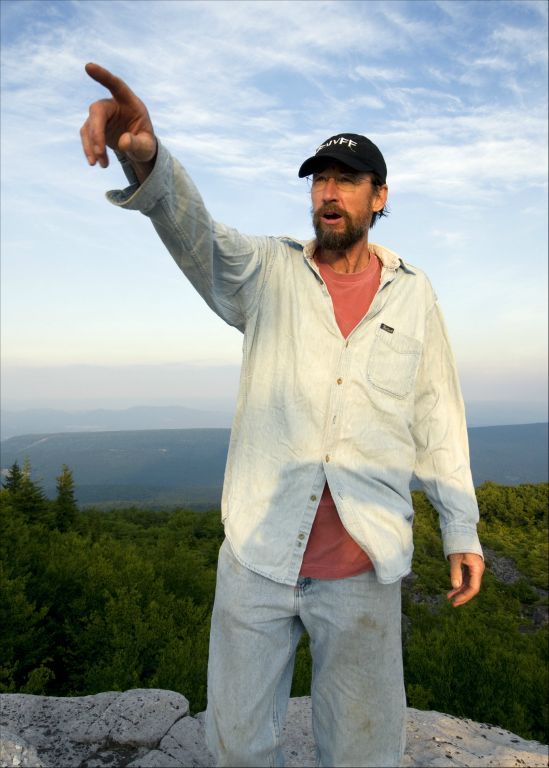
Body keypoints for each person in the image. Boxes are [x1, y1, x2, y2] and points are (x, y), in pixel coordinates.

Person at [81, 63, 485, 768]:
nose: (328, 193)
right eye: (318, 180)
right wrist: (147, 158)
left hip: (363, 563)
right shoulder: (267, 271)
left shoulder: (414, 296)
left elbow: (438, 417)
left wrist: (462, 530)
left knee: (363, 754)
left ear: (378, 196)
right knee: (237, 751)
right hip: (258, 558)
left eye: (346, 180)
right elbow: (197, 237)